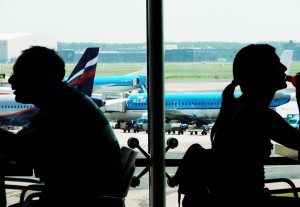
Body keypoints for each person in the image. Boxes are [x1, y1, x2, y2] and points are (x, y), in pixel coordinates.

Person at [0, 46, 124, 207]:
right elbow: (25, 148)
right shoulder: (64, 104)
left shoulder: (65, 108)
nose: (10, 80)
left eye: (19, 74)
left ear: (42, 78)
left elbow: (24, 152)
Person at [209, 44, 300, 206]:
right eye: (276, 64)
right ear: (262, 73)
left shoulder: (241, 107)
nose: (284, 68)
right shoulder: (256, 113)